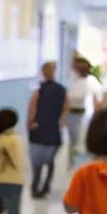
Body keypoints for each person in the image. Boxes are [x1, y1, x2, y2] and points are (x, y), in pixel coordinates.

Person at [27, 61, 66, 197]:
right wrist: (59, 125)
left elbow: (32, 109)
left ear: (43, 73)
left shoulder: (38, 91)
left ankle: (35, 186)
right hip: (53, 132)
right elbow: (65, 110)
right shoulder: (62, 90)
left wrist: (30, 124)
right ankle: (46, 187)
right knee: (49, 162)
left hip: (38, 130)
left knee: (36, 162)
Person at [65, 55, 102, 165]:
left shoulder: (91, 81)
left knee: (79, 143)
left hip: (83, 116)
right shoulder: (72, 81)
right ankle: (70, 162)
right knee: (71, 142)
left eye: (74, 68)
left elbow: (97, 102)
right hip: (70, 116)